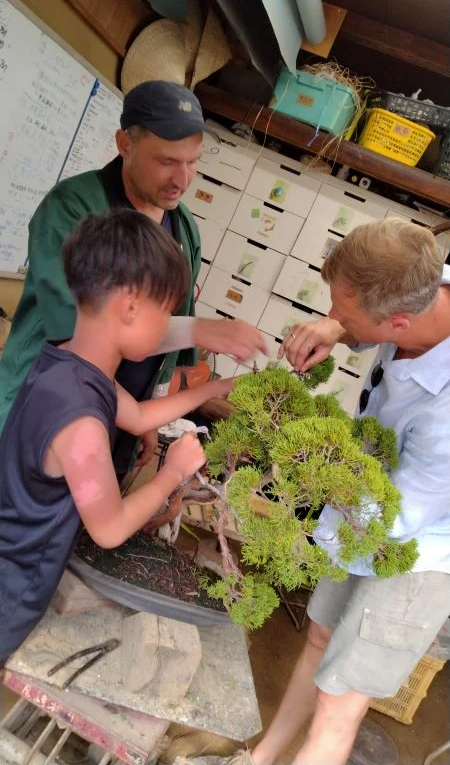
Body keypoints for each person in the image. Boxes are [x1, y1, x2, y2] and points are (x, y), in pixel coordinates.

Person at [227, 218, 450, 765]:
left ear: (398, 322)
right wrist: (338, 330)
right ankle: (259, 760)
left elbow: (391, 521)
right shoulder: (424, 279)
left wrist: (300, 471)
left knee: (339, 702)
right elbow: (365, 314)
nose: (333, 317)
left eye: (345, 314)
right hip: (360, 493)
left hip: (418, 552)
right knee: (320, 642)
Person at [0, 208, 235, 668]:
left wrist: (216, 390)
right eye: (165, 311)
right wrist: (173, 473)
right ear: (129, 307)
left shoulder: (71, 366)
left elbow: (139, 414)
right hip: (10, 588)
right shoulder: (83, 427)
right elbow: (108, 530)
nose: (168, 324)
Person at [0, 80, 266, 478]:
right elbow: (78, 333)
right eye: (166, 161)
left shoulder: (184, 229)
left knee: (74, 525)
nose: (183, 179)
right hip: (42, 412)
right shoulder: (73, 209)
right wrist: (197, 329)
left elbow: (171, 354)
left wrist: (151, 416)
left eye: (193, 162)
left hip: (118, 420)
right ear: (125, 143)